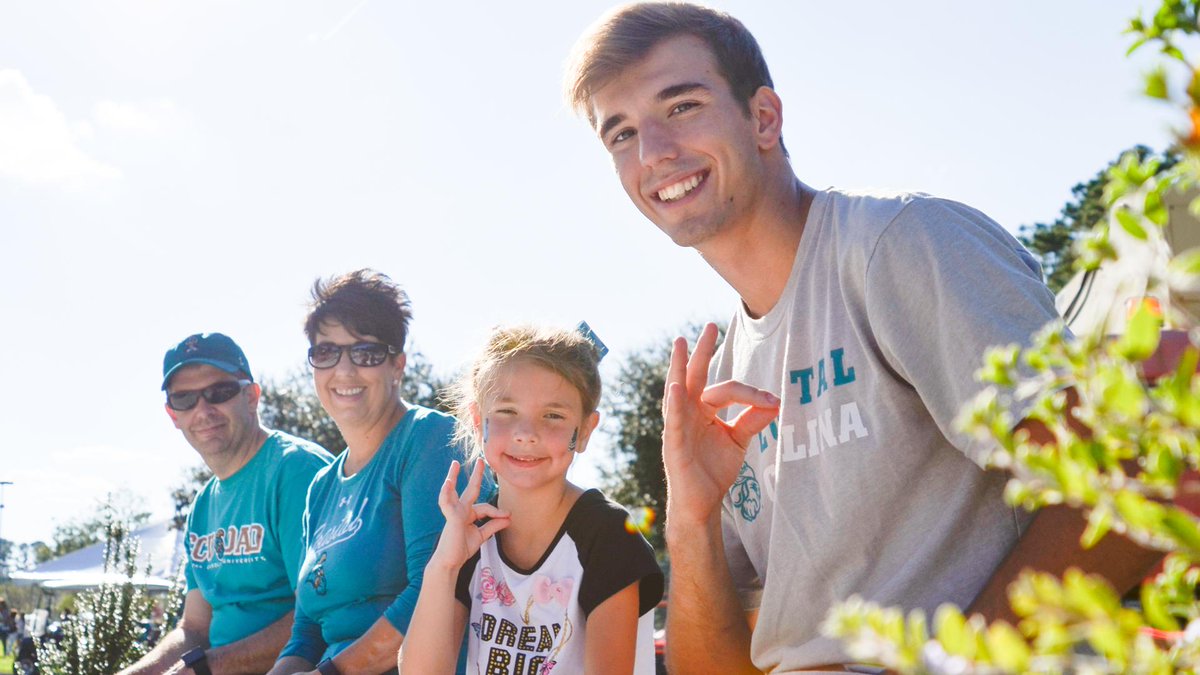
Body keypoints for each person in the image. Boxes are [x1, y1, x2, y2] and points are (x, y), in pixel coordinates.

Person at [565, 4, 1164, 672]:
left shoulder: (904, 245)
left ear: (764, 117)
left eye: (680, 106)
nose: (652, 152)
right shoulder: (724, 381)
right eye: (620, 134)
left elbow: (1121, 489)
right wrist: (692, 518)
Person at [400, 325, 664, 675]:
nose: (526, 434)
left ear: (584, 431)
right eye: (507, 412)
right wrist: (444, 566)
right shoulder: (468, 535)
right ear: (479, 423)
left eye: (553, 416)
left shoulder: (609, 535)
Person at [268, 269, 476, 675]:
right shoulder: (321, 487)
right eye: (326, 352)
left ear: (397, 365)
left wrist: (330, 673)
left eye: (365, 353)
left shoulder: (431, 440)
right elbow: (308, 629)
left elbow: (434, 593)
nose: (343, 371)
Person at [121, 332, 334, 675]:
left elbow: (320, 615)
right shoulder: (203, 506)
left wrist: (206, 668)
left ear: (251, 396)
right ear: (173, 415)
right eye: (185, 399)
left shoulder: (297, 471)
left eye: (219, 392)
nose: (203, 410)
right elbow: (194, 629)